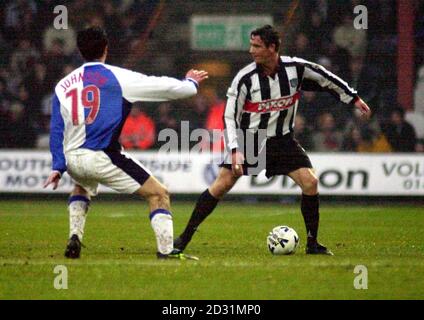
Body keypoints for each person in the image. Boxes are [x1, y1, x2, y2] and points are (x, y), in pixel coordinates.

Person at [174, 25, 370, 255]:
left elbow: (326, 78)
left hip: (283, 141)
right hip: (250, 140)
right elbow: (229, 115)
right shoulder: (245, 78)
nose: (251, 50)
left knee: (310, 183)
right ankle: (183, 238)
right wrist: (235, 148)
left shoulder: (296, 69)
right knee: (222, 185)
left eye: (256, 46)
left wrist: (353, 98)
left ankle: (312, 243)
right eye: (251, 45)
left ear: (272, 48)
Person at [43, 27, 208, 260]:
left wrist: (58, 166)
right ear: (106, 48)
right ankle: (166, 251)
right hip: (101, 155)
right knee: (159, 194)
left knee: (81, 187)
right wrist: (190, 83)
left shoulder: (63, 85)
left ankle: (75, 236)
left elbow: (56, 130)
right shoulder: (118, 78)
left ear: (79, 51)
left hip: (72, 159)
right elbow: (164, 87)